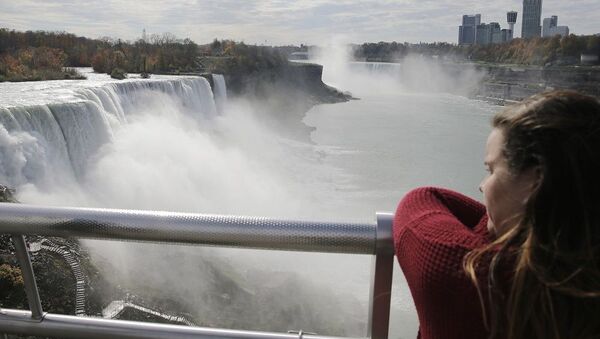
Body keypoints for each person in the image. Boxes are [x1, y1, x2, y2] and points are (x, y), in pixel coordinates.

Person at [393, 90, 600, 339]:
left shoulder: (479, 279)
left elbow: (422, 200)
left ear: (535, 181)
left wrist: (493, 228)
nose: (482, 185)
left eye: (491, 170)